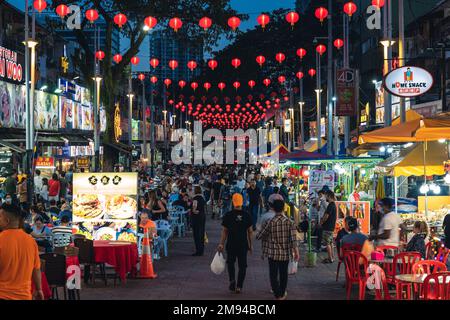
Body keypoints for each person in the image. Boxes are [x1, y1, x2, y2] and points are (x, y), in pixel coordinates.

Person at [256, 199, 299, 300]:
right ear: (284, 208)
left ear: (273, 209)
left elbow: (260, 236)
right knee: (284, 274)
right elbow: (293, 240)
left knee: (273, 274)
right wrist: (296, 252)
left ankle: (277, 294)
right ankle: (282, 293)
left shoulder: (270, 222)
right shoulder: (290, 222)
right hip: (285, 253)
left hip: (273, 253)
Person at [0, 203, 43, 300]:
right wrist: (39, 289)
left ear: (6, 221)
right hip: (24, 296)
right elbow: (36, 269)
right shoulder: (31, 241)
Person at [218, 193, 253, 293]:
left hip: (231, 244)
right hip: (243, 244)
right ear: (242, 202)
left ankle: (232, 280)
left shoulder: (228, 215)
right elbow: (250, 232)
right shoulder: (247, 215)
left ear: (233, 202)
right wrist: (251, 245)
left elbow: (225, 231)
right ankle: (239, 286)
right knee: (242, 265)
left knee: (230, 263)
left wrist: (221, 244)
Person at [320, 190, 337, 263]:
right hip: (331, 227)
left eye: (326, 196)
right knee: (330, 243)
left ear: (329, 196)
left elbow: (326, 216)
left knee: (327, 243)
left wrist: (321, 222)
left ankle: (330, 258)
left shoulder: (331, 205)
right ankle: (332, 257)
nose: (325, 197)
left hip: (328, 227)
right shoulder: (333, 205)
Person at [191, 186, 206, 256]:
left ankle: (198, 251)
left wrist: (193, 210)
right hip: (203, 216)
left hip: (197, 217)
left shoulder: (195, 198)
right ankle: (201, 250)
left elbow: (194, 208)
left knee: (196, 234)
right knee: (202, 233)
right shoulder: (202, 198)